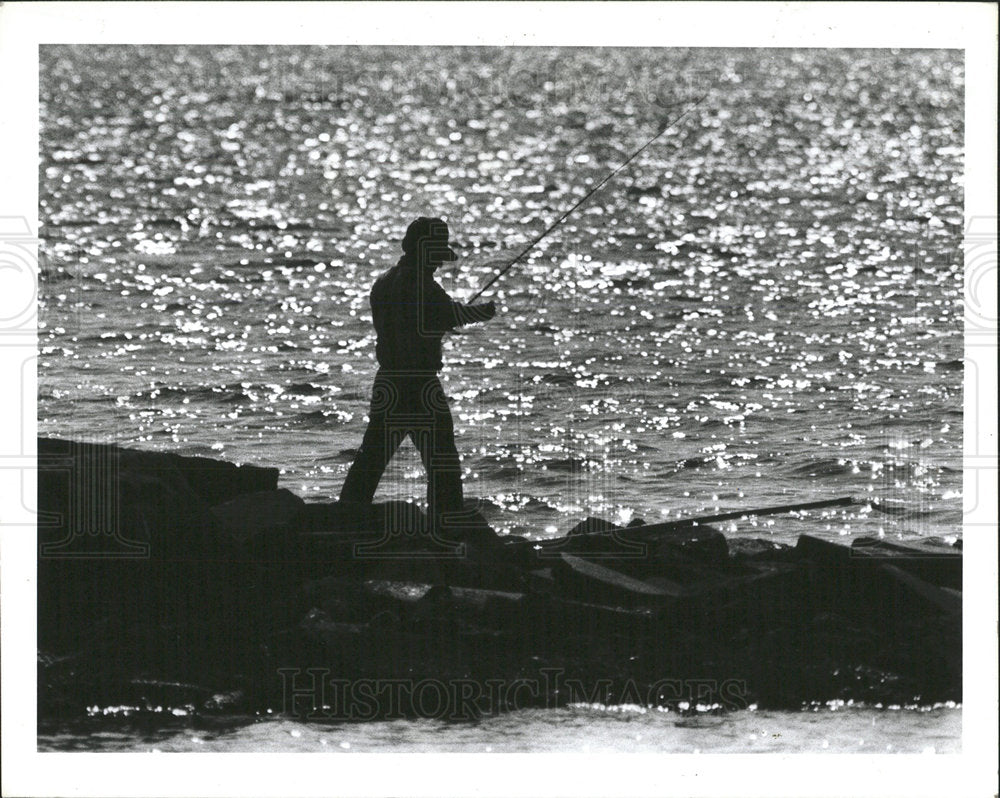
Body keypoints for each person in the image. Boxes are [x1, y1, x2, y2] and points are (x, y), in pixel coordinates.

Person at [339, 217, 496, 538]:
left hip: (388, 382)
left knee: (372, 459)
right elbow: (452, 314)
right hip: (420, 384)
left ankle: (344, 519)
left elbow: (414, 321)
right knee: (442, 461)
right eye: (437, 253)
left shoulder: (383, 282)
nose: (439, 261)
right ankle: (446, 525)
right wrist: (484, 311)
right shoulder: (422, 285)